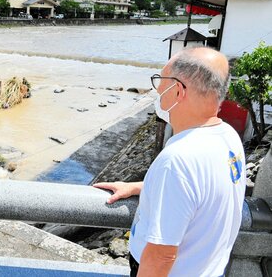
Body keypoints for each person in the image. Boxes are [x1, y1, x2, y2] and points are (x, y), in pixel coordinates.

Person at [94, 47, 246, 277]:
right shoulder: (228, 136)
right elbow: (199, 190)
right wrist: (138, 187)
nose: (158, 91)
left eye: (160, 82)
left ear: (177, 90)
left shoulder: (178, 159)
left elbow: (161, 254)